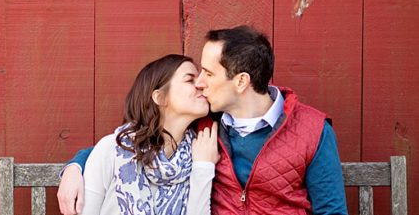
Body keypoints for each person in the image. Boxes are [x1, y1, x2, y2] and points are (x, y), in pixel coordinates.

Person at [57, 25, 348, 215]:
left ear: (241, 81)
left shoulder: (312, 131)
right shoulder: (205, 127)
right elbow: (128, 143)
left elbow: (331, 211)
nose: (200, 83)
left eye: (208, 73)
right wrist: (75, 166)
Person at [80, 54, 219, 215]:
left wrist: (202, 169)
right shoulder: (113, 150)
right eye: (190, 80)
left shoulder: (201, 153)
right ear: (159, 97)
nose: (201, 84)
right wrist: (74, 166)